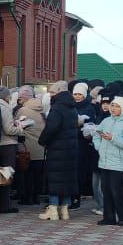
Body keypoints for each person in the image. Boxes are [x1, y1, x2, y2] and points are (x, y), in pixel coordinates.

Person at [38, 81, 79, 221]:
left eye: (52, 92)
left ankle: (53, 210)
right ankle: (65, 210)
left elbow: (51, 128)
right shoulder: (72, 107)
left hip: (57, 148)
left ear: (59, 92)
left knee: (55, 178)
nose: (50, 95)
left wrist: (42, 141)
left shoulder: (57, 108)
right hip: (70, 148)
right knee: (66, 178)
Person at [92, 96, 123, 226]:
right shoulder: (106, 120)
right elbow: (97, 134)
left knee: (116, 190)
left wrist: (113, 138)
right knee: (106, 189)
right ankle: (109, 217)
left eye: (117, 106)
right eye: (112, 105)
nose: (113, 109)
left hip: (118, 162)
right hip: (104, 160)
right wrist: (99, 147)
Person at [0, 87, 25, 214]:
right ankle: (5, 205)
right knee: (6, 175)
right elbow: (9, 129)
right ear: (6, 97)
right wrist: (21, 129)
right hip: (7, 144)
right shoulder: (5, 107)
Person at [17, 90, 46, 205]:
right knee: (38, 174)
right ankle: (36, 197)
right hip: (41, 147)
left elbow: (17, 126)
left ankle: (27, 198)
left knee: (27, 174)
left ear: (24, 98)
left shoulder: (23, 110)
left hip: (27, 147)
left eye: (20, 98)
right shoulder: (42, 110)